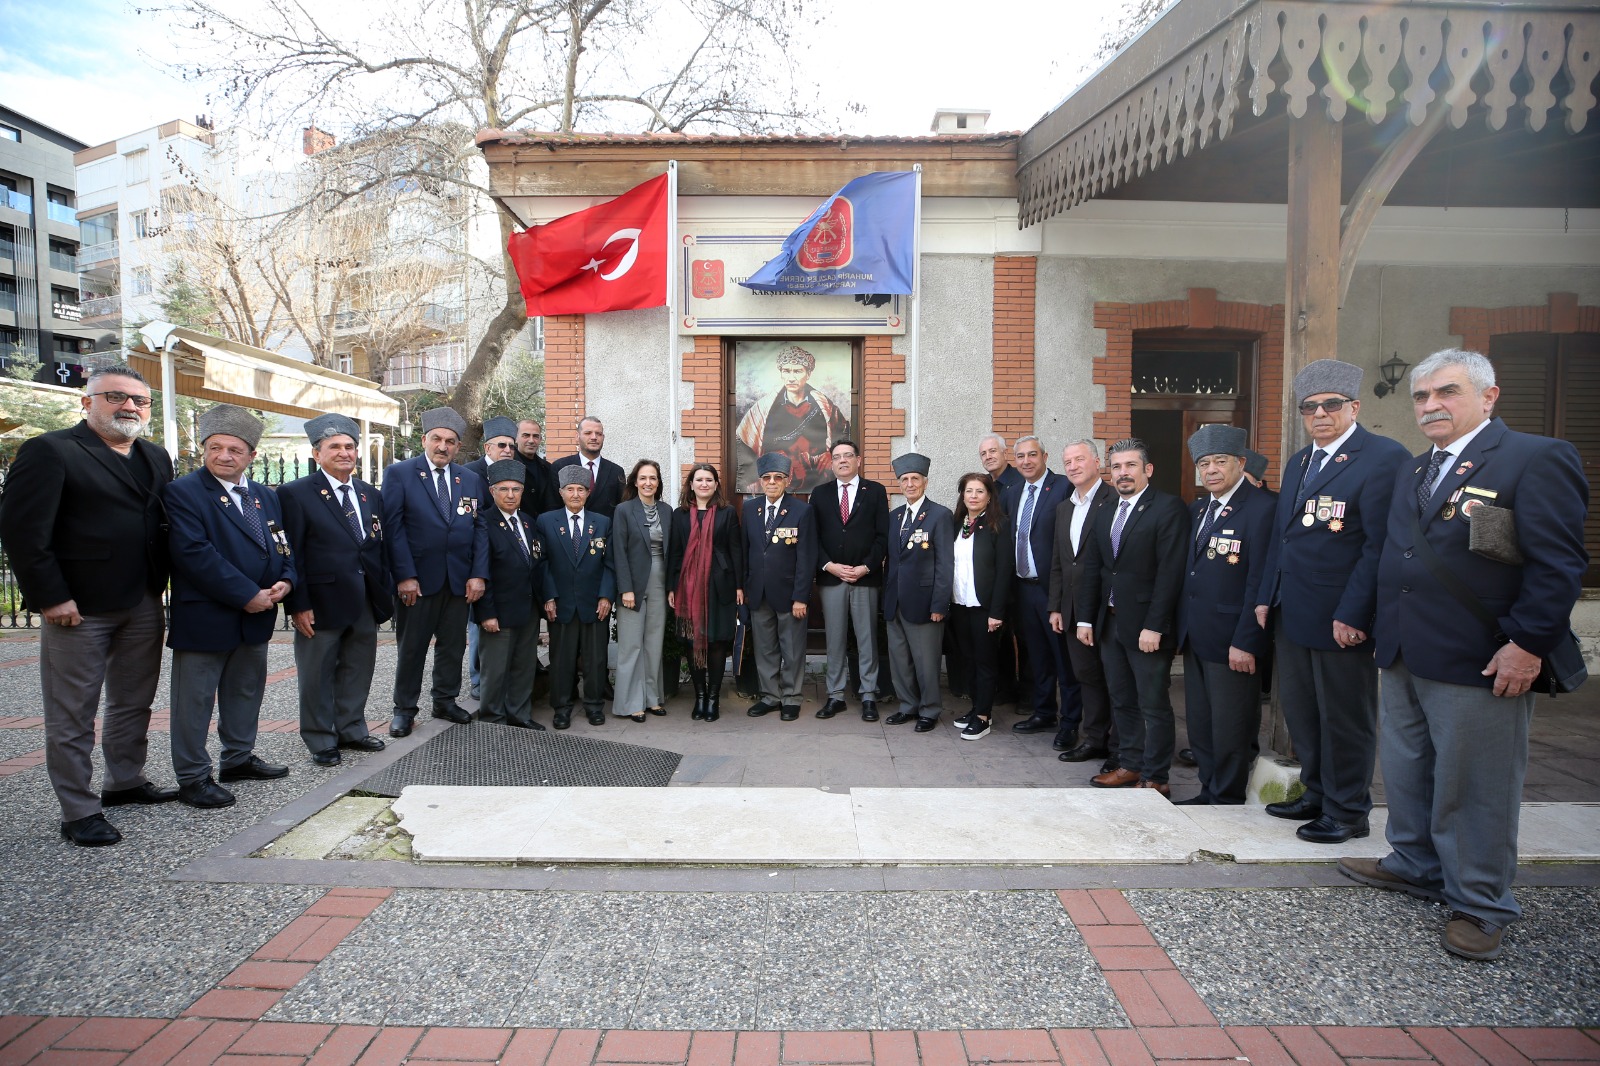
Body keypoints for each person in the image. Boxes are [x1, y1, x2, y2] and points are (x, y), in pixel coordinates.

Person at [1341, 349, 1588, 962]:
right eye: (1421, 397)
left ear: (1488, 395)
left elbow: (1558, 567)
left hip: (1480, 657)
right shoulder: (1415, 468)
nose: (1430, 406)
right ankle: (1416, 862)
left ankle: (1481, 901)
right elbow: (1392, 553)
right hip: (1404, 649)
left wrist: (1527, 645)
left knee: (1477, 784)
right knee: (1407, 769)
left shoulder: (1535, 459)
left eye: (1446, 393)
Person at [0, 365, 177, 846]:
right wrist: (50, 596)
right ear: (87, 402)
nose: (130, 407)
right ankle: (78, 810)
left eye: (140, 401)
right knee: (72, 712)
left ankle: (125, 781)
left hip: (142, 599)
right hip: (78, 606)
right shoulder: (50, 451)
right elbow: (22, 531)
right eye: (115, 396)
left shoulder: (156, 456)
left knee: (133, 701)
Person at [1255, 359, 1409, 843]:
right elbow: (1282, 539)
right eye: (1310, 407)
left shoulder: (1383, 457)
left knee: (1345, 715)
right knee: (1303, 711)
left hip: (1341, 615)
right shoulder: (1301, 461)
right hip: (1293, 609)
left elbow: (1379, 545)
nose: (1319, 414)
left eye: (1331, 405)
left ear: (1354, 407)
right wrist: (1266, 596)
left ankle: (1348, 810)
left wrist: (1355, 612)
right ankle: (1318, 792)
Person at [163, 404, 294, 809]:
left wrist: (287, 580)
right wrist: (246, 594)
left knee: (245, 692)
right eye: (215, 447)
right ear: (204, 450)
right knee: (194, 702)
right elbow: (194, 554)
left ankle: (237, 758)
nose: (224, 456)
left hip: (256, 615)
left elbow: (282, 543)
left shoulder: (264, 496)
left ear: (251, 456)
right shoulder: (183, 492)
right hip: (207, 615)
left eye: (234, 450)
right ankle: (192, 777)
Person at [1075, 438, 1188, 796]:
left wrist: (1155, 625)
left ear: (1147, 470)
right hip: (1110, 623)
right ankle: (1129, 765)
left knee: (1152, 703)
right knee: (1121, 698)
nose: (1123, 474)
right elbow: (1094, 567)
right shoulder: (1107, 509)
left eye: (1131, 466)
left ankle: (1156, 776)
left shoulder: (1168, 508)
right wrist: (1086, 619)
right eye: (1118, 467)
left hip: (1147, 628)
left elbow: (1171, 574)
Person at [279, 413, 391, 767]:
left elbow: (375, 546)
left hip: (362, 597)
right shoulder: (295, 494)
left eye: (349, 447)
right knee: (316, 672)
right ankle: (319, 737)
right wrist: (298, 603)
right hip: (320, 601)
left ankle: (352, 729)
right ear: (317, 453)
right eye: (335, 447)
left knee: (358, 667)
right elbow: (291, 552)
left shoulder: (369, 494)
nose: (344, 453)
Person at [1172, 425, 1275, 806]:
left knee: (1231, 725)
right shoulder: (1198, 508)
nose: (1211, 470)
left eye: (1220, 461)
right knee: (1200, 723)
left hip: (1233, 638)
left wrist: (1246, 640)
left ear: (1240, 463)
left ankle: (1227, 795)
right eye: (1204, 463)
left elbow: (1260, 581)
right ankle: (1208, 787)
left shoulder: (1263, 509)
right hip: (1197, 636)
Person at [382, 407, 488, 738]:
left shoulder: (469, 479)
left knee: (452, 645)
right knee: (412, 647)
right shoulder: (400, 473)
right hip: (418, 580)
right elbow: (393, 528)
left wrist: (477, 574)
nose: (443, 447)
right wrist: (404, 575)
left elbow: (479, 528)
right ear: (424, 439)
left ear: (458, 446)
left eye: (451, 442)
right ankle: (404, 709)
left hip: (458, 580)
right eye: (438, 439)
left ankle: (444, 700)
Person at [1002, 435, 1079, 743]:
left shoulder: (1063, 487)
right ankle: (1044, 711)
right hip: (1023, 588)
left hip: (1052, 588)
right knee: (1037, 656)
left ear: (1045, 456)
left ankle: (1071, 721)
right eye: (1020, 456)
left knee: (1064, 659)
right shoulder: (1013, 491)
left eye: (1032, 455)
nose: (1025, 461)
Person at [1048, 439, 1118, 770]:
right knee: (1087, 675)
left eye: (1080, 459)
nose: (1073, 466)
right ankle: (1095, 738)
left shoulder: (1115, 500)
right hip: (1073, 609)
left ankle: (1120, 746)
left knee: (1115, 678)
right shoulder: (1065, 507)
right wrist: (1057, 607)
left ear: (1096, 462)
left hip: (1107, 610)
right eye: (1068, 462)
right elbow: (1060, 562)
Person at [809, 440, 890, 721]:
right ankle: (835, 696)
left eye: (848, 456)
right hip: (831, 578)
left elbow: (883, 536)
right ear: (831, 463)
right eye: (837, 457)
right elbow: (812, 537)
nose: (842, 461)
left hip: (865, 578)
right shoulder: (819, 494)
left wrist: (866, 567)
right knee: (834, 639)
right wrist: (829, 566)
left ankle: (868, 695)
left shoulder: (876, 492)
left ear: (859, 460)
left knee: (866, 637)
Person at [537, 466, 615, 728]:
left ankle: (594, 705)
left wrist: (606, 596)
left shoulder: (602, 522)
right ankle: (561, 707)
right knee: (561, 659)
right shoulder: (546, 521)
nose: (575, 494)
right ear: (561, 493)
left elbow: (610, 564)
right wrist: (548, 596)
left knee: (596, 659)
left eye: (580, 489)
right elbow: (542, 563)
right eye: (570, 489)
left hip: (594, 604)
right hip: (561, 604)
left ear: (588, 493)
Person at [741, 453, 817, 722]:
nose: (772, 482)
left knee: (792, 649)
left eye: (777, 478)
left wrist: (801, 597)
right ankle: (770, 696)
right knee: (765, 649)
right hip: (758, 593)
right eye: (766, 478)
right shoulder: (750, 509)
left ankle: (792, 697)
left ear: (787, 481)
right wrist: (744, 588)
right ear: (760, 481)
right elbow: (746, 551)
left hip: (789, 596)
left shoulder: (802, 511)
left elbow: (806, 558)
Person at [882, 453, 955, 731]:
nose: (910, 484)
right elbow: (891, 560)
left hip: (925, 603)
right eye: (905, 480)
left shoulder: (940, 515)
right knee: (900, 659)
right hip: (895, 602)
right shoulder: (894, 516)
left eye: (915, 479)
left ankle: (930, 709)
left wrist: (940, 604)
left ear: (925, 481)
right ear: (899, 484)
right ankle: (907, 705)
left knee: (926, 661)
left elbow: (945, 564)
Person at [668, 463, 745, 722]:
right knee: (692, 642)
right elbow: (675, 554)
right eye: (698, 479)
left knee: (716, 642)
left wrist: (739, 586)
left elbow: (736, 551)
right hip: (688, 588)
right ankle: (699, 696)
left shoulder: (727, 513)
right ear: (690, 484)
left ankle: (713, 698)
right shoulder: (679, 515)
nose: (704, 484)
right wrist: (671, 587)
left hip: (720, 585)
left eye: (709, 480)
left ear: (715, 485)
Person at [474, 459, 547, 729]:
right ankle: (492, 718)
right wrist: (486, 612)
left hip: (527, 608)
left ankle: (519, 714)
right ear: (492, 491)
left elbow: (536, 565)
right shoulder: (483, 522)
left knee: (524, 665)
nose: (510, 495)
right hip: (498, 610)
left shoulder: (528, 522)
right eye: (504, 489)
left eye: (516, 489)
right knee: (495, 669)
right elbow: (481, 570)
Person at [947, 472, 1013, 740]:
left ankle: (984, 717)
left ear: (989, 497)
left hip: (985, 607)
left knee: (985, 662)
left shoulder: (999, 524)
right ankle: (975, 708)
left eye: (979, 492)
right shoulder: (956, 524)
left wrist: (997, 612)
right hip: (960, 603)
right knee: (969, 661)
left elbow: (1004, 572)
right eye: (968, 491)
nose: (973, 496)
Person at [735, 344, 850, 495]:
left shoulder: (825, 406)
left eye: (797, 371)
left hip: (817, 485)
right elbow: (744, 442)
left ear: (808, 374)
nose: (791, 377)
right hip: (778, 485)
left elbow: (842, 435)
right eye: (786, 371)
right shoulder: (764, 408)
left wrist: (829, 456)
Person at [463, 416, 521, 701]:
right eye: (502, 445)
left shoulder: (516, 472)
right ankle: (478, 678)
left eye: (512, 445)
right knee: (481, 624)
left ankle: (505, 677)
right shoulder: (470, 473)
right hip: (481, 558)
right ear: (487, 447)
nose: (508, 449)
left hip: (509, 558)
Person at [612, 459, 675, 721]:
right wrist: (626, 588)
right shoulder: (624, 510)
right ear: (635, 482)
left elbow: (672, 552)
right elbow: (619, 552)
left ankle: (652, 698)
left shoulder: (667, 510)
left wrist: (672, 587)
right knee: (630, 646)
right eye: (643, 478)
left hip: (660, 583)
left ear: (658, 483)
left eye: (653, 478)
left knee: (653, 644)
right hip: (633, 585)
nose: (648, 483)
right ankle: (630, 702)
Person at [977, 433, 1024, 704]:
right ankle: (1005, 687)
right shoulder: (988, 485)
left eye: (993, 451)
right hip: (997, 573)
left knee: (1021, 636)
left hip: (1019, 572)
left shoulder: (1019, 483)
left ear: (1005, 452)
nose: (989, 456)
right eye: (984, 454)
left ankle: (1024, 694)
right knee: (1001, 634)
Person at [551, 415, 626, 517]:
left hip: (605, 532)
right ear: (577, 436)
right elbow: (553, 505)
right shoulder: (560, 467)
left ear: (603, 438)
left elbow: (621, 510)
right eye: (588, 433)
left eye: (598, 434)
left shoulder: (616, 471)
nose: (594, 437)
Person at [516, 418, 561, 517]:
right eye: (526, 435)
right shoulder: (508, 465)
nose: (531, 440)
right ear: (516, 438)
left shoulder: (548, 468)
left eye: (536, 436)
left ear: (540, 439)